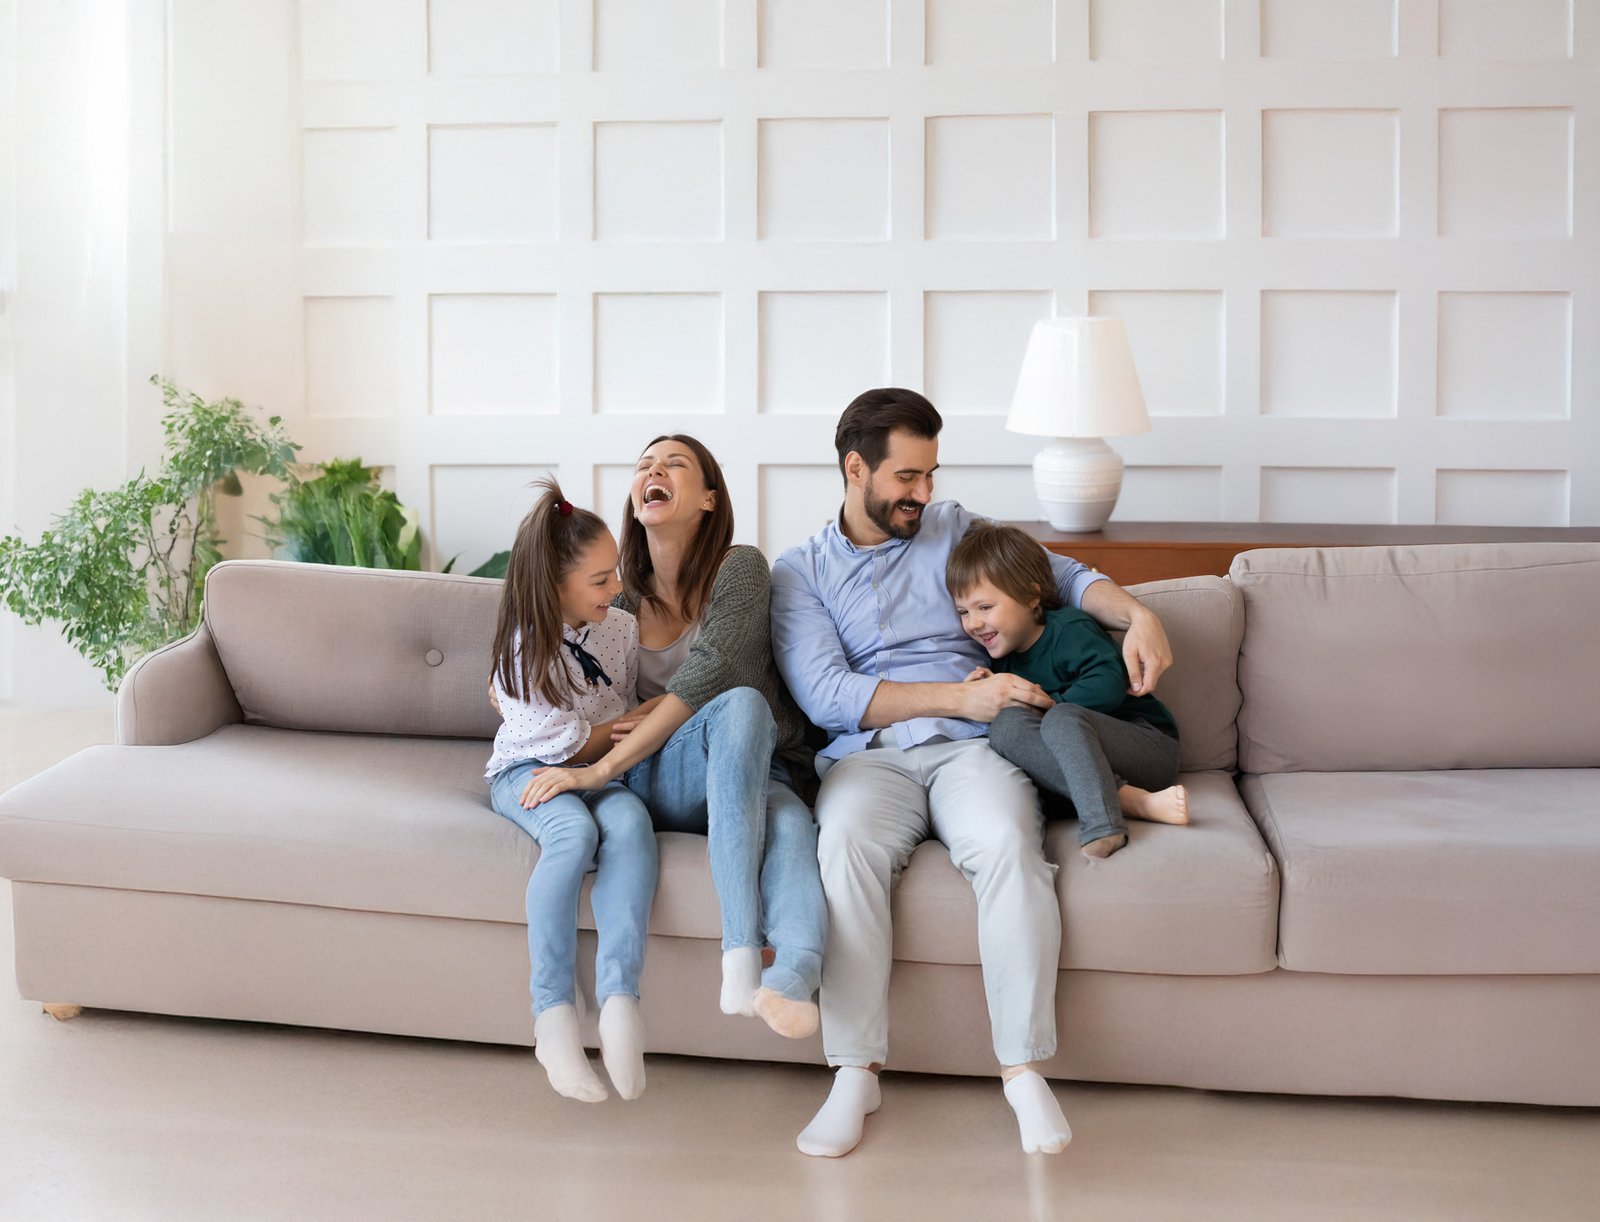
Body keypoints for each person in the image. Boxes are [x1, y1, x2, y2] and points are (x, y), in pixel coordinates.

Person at [770, 388, 1173, 1157]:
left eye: (930, 474)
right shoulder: (801, 572)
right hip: (871, 757)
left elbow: (1060, 575)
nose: (923, 493)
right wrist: (962, 695)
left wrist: (1138, 615)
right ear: (855, 470)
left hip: (975, 748)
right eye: (906, 477)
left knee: (1009, 847)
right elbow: (827, 695)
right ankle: (855, 1071)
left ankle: (1022, 1070)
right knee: (844, 846)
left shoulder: (953, 526)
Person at [516, 435, 827, 1039]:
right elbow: (540, 634)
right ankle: (740, 949)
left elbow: (711, 673)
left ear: (709, 498)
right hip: (659, 771)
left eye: (674, 464)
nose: (654, 470)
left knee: (790, 821)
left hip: (750, 767)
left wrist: (626, 739)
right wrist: (508, 682)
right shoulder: (617, 594)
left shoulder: (740, 569)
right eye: (645, 465)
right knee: (742, 704)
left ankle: (790, 981)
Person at [485, 479, 660, 1104]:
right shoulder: (522, 647)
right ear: (555, 584)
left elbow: (620, 714)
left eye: (616, 573)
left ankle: (619, 1003)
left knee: (632, 826)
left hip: (601, 769)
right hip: (529, 769)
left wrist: (630, 727)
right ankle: (553, 1015)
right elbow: (573, 741)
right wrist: (638, 722)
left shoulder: (620, 628)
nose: (616, 588)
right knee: (573, 832)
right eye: (600, 579)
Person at [946, 521, 1187, 860]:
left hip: (1146, 745)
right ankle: (1130, 800)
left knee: (1062, 719)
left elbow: (1108, 682)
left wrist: (1047, 705)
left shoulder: (1069, 628)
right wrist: (989, 685)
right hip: (1088, 763)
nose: (972, 623)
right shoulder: (1003, 657)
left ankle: (1104, 826)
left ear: (1031, 596)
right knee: (1005, 726)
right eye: (963, 612)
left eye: (985, 607)